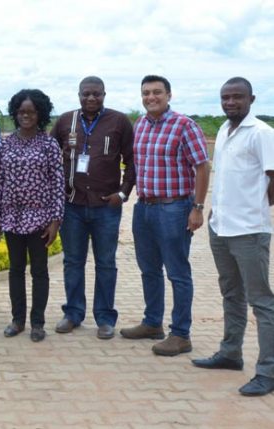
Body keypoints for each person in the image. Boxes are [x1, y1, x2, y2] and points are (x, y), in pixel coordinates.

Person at [191, 77, 274, 396]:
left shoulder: (263, 134)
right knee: (231, 293)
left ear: (251, 99)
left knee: (262, 301)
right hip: (221, 227)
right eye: (225, 97)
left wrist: (254, 208)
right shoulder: (225, 131)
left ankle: (267, 371)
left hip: (250, 231)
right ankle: (230, 353)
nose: (230, 102)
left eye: (237, 97)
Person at [120, 75, 210, 356]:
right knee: (149, 269)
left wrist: (197, 207)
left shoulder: (185, 126)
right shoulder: (140, 125)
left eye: (157, 92)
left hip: (174, 208)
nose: (151, 97)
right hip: (144, 207)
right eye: (146, 93)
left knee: (177, 272)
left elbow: (203, 167)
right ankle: (152, 323)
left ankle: (181, 334)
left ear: (169, 95)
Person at [50, 76, 135, 340]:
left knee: (105, 263)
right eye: (86, 94)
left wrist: (122, 193)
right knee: (73, 262)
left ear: (104, 94)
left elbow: (133, 161)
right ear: (78, 95)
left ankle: (105, 318)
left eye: (96, 94)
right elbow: (50, 157)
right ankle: (73, 313)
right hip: (72, 204)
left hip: (105, 207)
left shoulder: (119, 121)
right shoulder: (65, 121)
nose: (90, 98)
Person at [0, 89, 64, 342]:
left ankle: (38, 323)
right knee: (15, 270)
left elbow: (57, 184)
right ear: (15, 113)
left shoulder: (49, 144)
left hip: (40, 219)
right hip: (11, 217)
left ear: (39, 113)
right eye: (21, 112)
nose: (26, 116)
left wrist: (55, 220)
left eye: (31, 112)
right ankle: (17, 320)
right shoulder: (6, 143)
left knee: (39, 271)